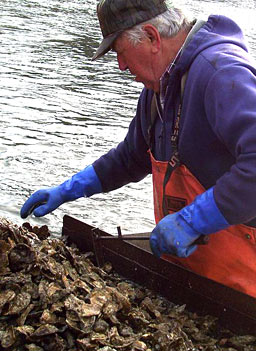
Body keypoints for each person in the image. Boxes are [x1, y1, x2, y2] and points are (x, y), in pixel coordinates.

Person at [20, 0, 256, 297]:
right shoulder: (157, 91)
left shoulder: (221, 72)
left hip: (245, 279)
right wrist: (67, 190)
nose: (121, 66)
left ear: (152, 37)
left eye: (120, 52)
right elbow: (131, 157)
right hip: (193, 271)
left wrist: (193, 220)